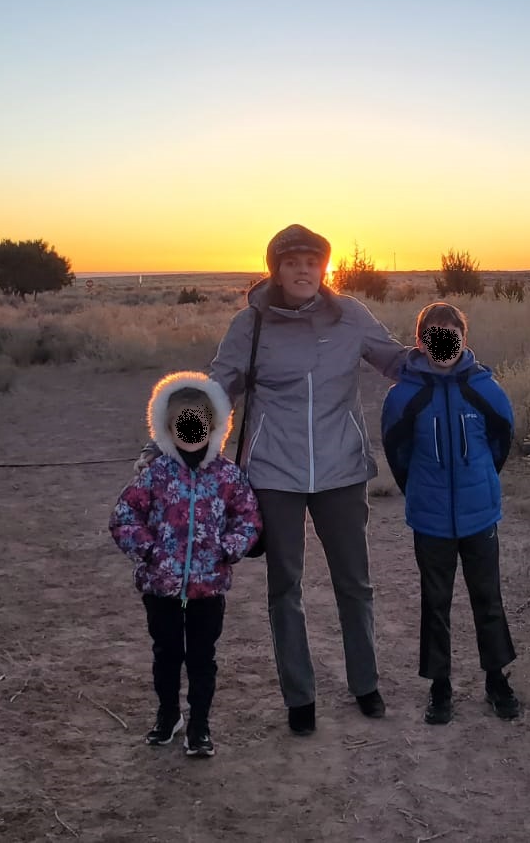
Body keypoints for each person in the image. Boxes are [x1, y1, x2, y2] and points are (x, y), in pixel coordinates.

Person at [135, 224, 412, 736]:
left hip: (342, 469)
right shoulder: (251, 323)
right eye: (291, 262)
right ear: (276, 270)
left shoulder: (351, 315)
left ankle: (365, 683)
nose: (303, 269)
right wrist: (167, 441)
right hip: (274, 473)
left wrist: (448, 363)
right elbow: (220, 387)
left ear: (324, 267)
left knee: (355, 583)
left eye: (312, 260)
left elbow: (394, 359)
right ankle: (299, 696)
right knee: (285, 587)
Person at [380, 301, 522, 724]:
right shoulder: (405, 395)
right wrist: (422, 492)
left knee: (488, 600)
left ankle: (497, 681)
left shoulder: (483, 388)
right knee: (435, 603)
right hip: (431, 519)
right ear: (421, 341)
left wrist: (480, 482)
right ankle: (439, 688)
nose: (444, 341)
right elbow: (397, 451)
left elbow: (502, 438)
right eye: (434, 334)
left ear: (463, 338)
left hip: (480, 517)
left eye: (452, 333)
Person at [111, 371, 262, 757]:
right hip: (160, 585)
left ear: (213, 424)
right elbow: (124, 516)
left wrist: (229, 548)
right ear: (166, 425)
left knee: (201, 658)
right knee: (166, 654)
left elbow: (248, 518)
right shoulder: (155, 474)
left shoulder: (228, 476)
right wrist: (148, 551)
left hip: (208, 587)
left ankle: (200, 726)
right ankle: (168, 716)